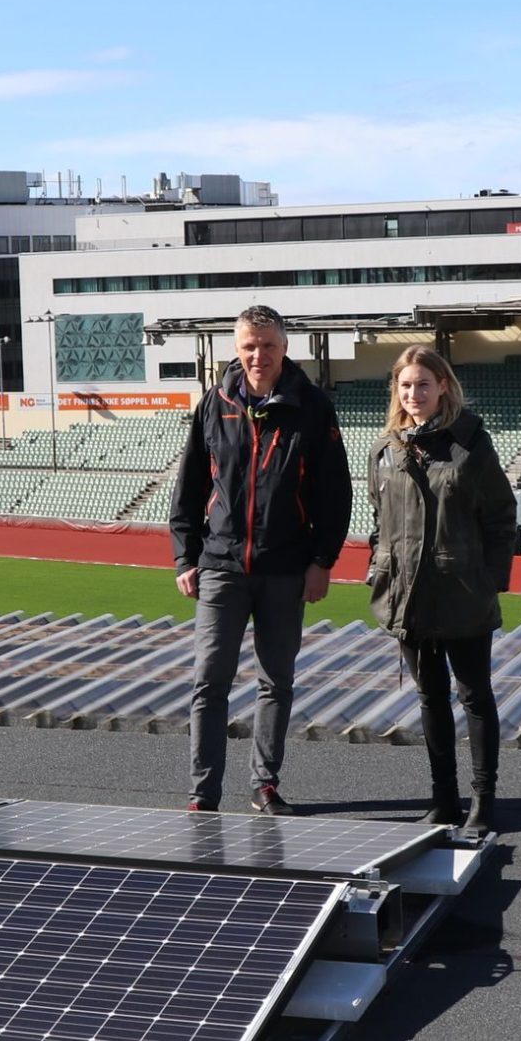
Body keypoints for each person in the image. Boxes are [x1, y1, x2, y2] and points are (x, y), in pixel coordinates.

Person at [171, 304, 352, 816]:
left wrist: (322, 561)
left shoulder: (313, 407)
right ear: (237, 348)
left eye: (268, 345)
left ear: (284, 347)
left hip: (285, 568)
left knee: (276, 681)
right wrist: (186, 556)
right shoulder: (213, 404)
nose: (258, 355)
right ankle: (203, 793)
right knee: (210, 680)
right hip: (221, 566)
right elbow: (188, 488)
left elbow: (334, 496)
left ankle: (264, 785)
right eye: (250, 345)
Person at [366, 347, 516, 832]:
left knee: (474, 697)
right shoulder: (385, 449)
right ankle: (444, 799)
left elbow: (500, 517)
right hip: (407, 595)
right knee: (430, 698)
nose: (414, 394)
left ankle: (484, 802)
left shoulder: (471, 445)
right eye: (406, 386)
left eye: (424, 385)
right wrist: (378, 568)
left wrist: (489, 582)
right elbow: (378, 521)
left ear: (443, 386)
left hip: (462, 593)